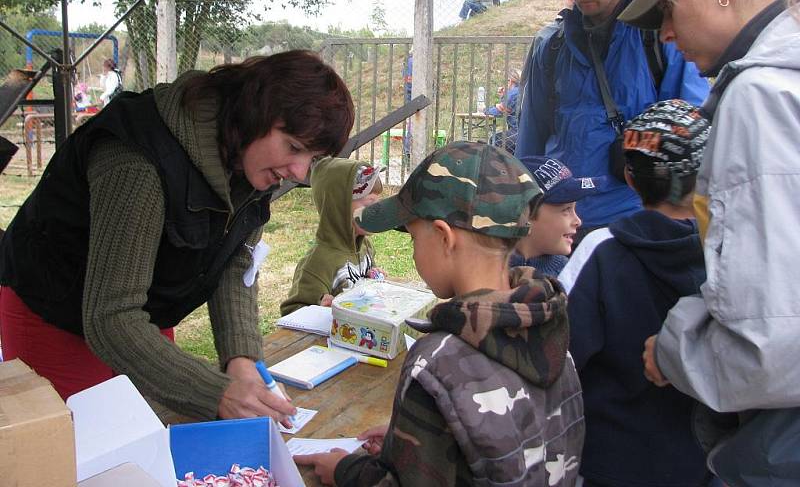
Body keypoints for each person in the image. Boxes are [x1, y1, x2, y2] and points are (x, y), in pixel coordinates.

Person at [0, 50, 354, 424]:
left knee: (153, 435)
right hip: (54, 313)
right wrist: (217, 392)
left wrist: (242, 361)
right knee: (81, 451)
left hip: (139, 318)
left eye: (310, 157)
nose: (299, 172)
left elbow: (235, 264)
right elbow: (111, 316)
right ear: (256, 112)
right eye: (295, 148)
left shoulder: (253, 158)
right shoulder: (138, 158)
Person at [617, 0, 800, 484]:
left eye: (670, 7)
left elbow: (768, 344)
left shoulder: (760, 97)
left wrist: (675, 350)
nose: (667, 34)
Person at [295, 142, 584, 486]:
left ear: (444, 237)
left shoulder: (435, 363)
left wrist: (345, 471)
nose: (414, 252)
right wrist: (414, 438)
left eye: (414, 238)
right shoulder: (550, 325)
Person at [516, 0, 708, 244]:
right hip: (562, 225)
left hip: (636, 221)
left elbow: (690, 128)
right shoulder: (550, 46)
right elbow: (531, 135)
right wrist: (525, 204)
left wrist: (636, 150)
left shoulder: (660, 38)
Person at [560, 100, 712, 487]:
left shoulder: (604, 249)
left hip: (610, 462)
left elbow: (558, 352)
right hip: (703, 462)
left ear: (630, 178)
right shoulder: (731, 252)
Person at [280, 157, 385, 315]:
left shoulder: (365, 247)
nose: (378, 211)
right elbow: (290, 311)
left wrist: (373, 279)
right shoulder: (318, 262)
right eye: (369, 204)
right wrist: (319, 308)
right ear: (338, 208)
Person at [512, 155, 602, 276]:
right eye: (566, 210)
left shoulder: (570, 275)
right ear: (524, 214)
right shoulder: (485, 270)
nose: (578, 221)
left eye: (574, 209)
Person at [484, 68, 520, 153]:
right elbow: (506, 109)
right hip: (524, 131)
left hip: (517, 132)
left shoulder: (513, 93)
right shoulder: (521, 90)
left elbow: (498, 111)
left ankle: (499, 164)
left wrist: (484, 109)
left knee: (495, 139)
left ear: (510, 81)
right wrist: (503, 96)